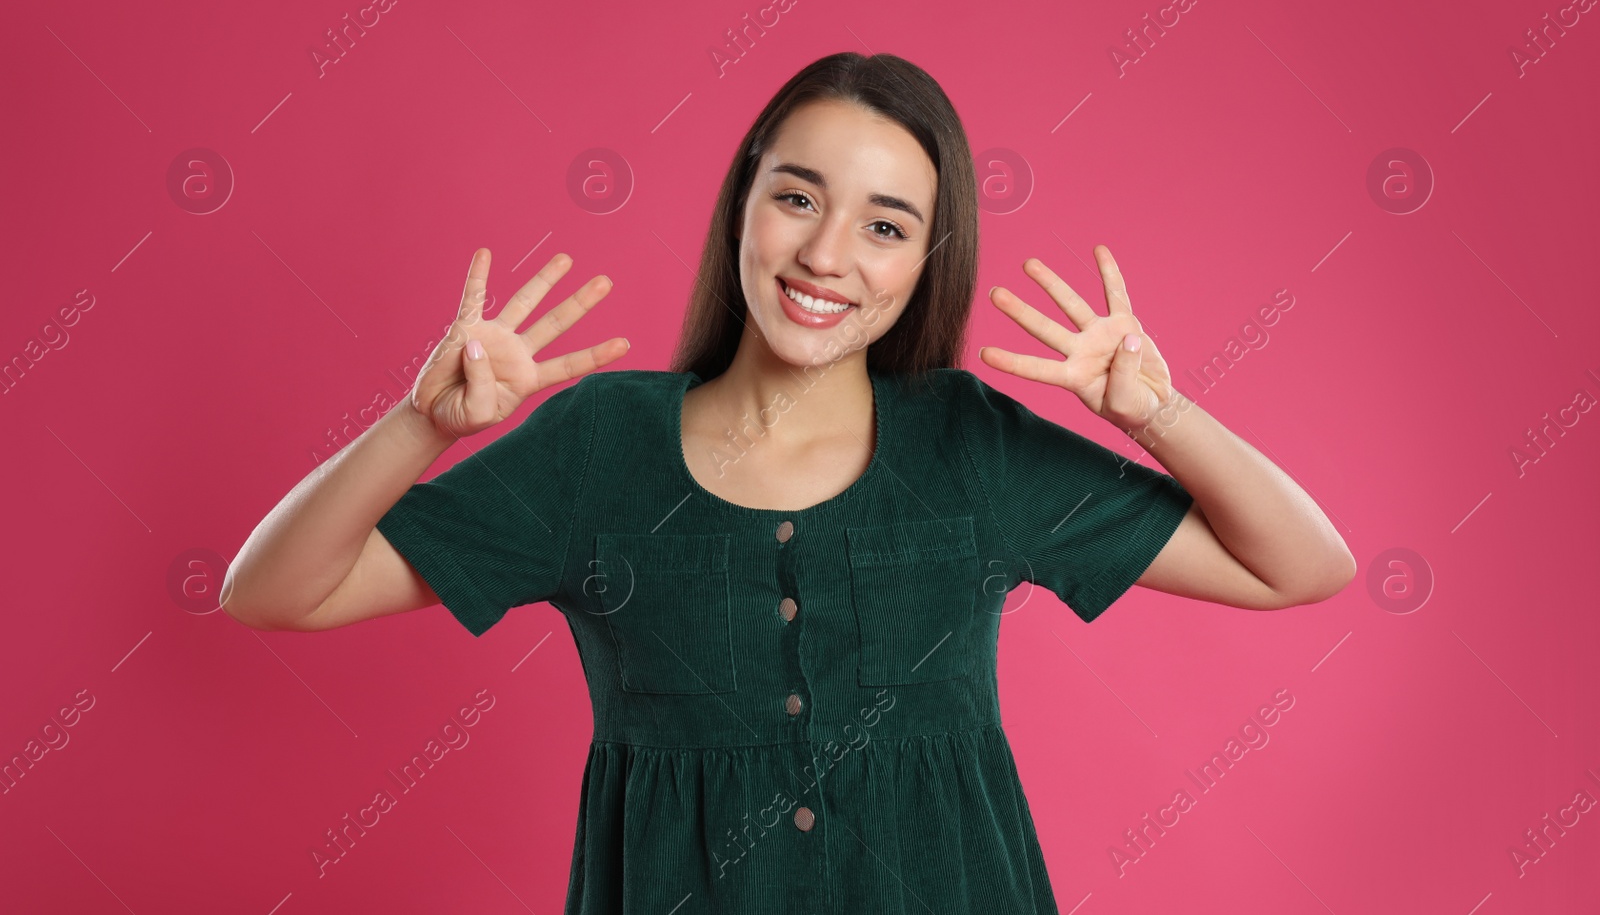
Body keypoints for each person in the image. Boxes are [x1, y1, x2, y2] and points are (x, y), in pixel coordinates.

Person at [221, 52, 1355, 913]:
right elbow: (272, 590)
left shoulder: (970, 443)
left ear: (924, 260)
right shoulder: (600, 445)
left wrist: (1155, 412)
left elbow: (1303, 565)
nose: (826, 257)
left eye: (886, 224)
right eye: (798, 197)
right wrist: (421, 426)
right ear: (742, 201)